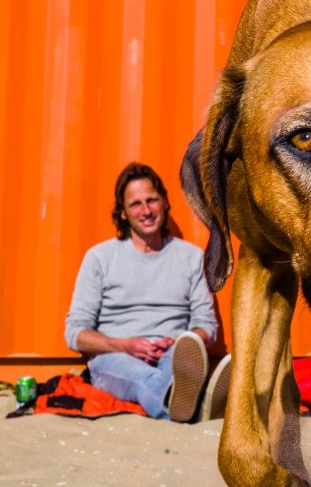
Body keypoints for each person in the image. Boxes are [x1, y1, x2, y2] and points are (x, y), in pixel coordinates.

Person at [65, 162, 228, 422]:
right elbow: (75, 334)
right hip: (114, 358)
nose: (146, 211)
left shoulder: (192, 258)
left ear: (164, 202)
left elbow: (205, 325)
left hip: (173, 354)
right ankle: (199, 406)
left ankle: (182, 404)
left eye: (151, 200)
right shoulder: (99, 258)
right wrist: (124, 345)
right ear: (122, 214)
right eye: (135, 204)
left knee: (180, 363)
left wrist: (182, 343)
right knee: (145, 379)